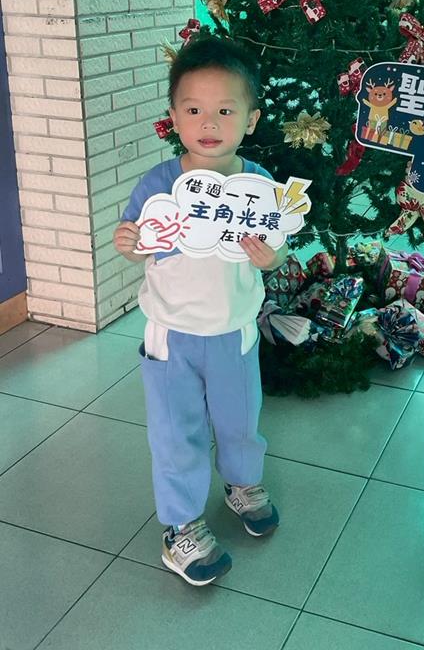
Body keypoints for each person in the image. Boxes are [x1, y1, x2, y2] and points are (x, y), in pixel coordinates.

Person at [113, 36, 286, 586]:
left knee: (240, 422)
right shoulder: (159, 184)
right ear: (173, 117)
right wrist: (128, 242)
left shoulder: (258, 185)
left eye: (225, 111)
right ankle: (181, 525)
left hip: (235, 332)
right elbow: (138, 240)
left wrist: (272, 257)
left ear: (251, 120)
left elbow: (277, 246)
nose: (208, 123)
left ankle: (242, 483)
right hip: (172, 336)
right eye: (193, 110)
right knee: (176, 432)